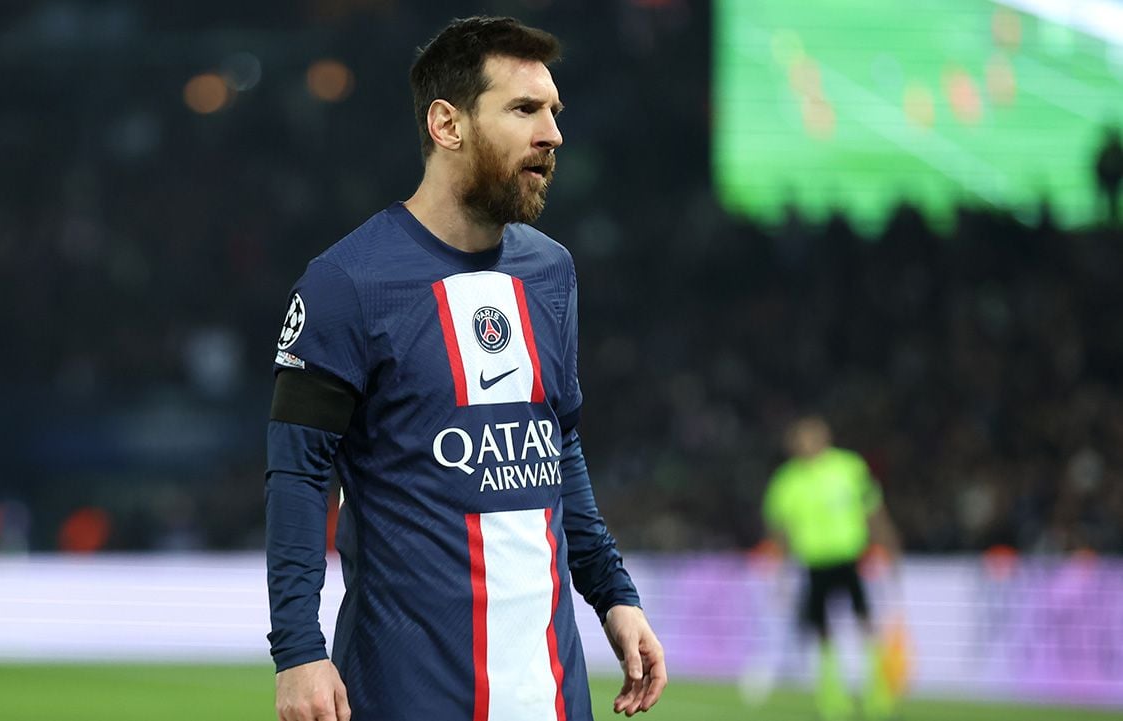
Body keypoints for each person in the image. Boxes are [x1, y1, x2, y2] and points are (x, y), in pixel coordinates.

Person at [264, 16, 667, 721]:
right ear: (447, 125)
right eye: (524, 109)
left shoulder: (551, 272)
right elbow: (298, 474)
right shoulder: (345, 284)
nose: (552, 134)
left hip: (554, 693)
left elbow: (558, 445)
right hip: (407, 693)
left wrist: (613, 595)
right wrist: (298, 648)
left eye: (554, 111)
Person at [762, 415, 901, 721]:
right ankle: (832, 698)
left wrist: (889, 543)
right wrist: (780, 569)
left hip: (851, 559)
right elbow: (779, 529)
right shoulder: (787, 481)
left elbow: (873, 509)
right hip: (814, 565)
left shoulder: (849, 468)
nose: (806, 444)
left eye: (811, 436)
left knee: (866, 623)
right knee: (822, 630)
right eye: (800, 439)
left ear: (825, 437)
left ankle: (878, 695)